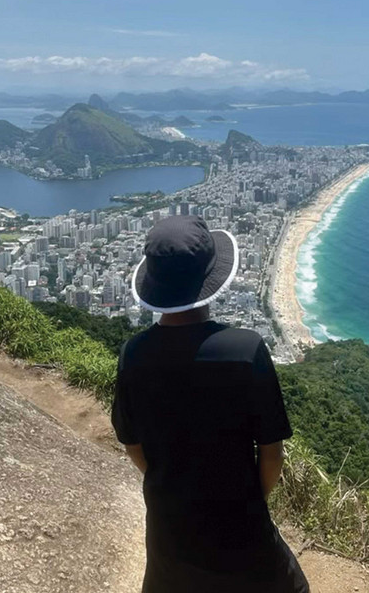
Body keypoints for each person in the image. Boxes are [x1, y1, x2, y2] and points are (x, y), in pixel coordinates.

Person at [112, 215, 310, 593]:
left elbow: (133, 446)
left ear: (154, 284)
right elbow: (272, 454)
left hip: (169, 528)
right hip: (241, 526)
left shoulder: (133, 355)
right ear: (211, 279)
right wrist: (247, 501)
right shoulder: (245, 349)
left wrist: (175, 485)